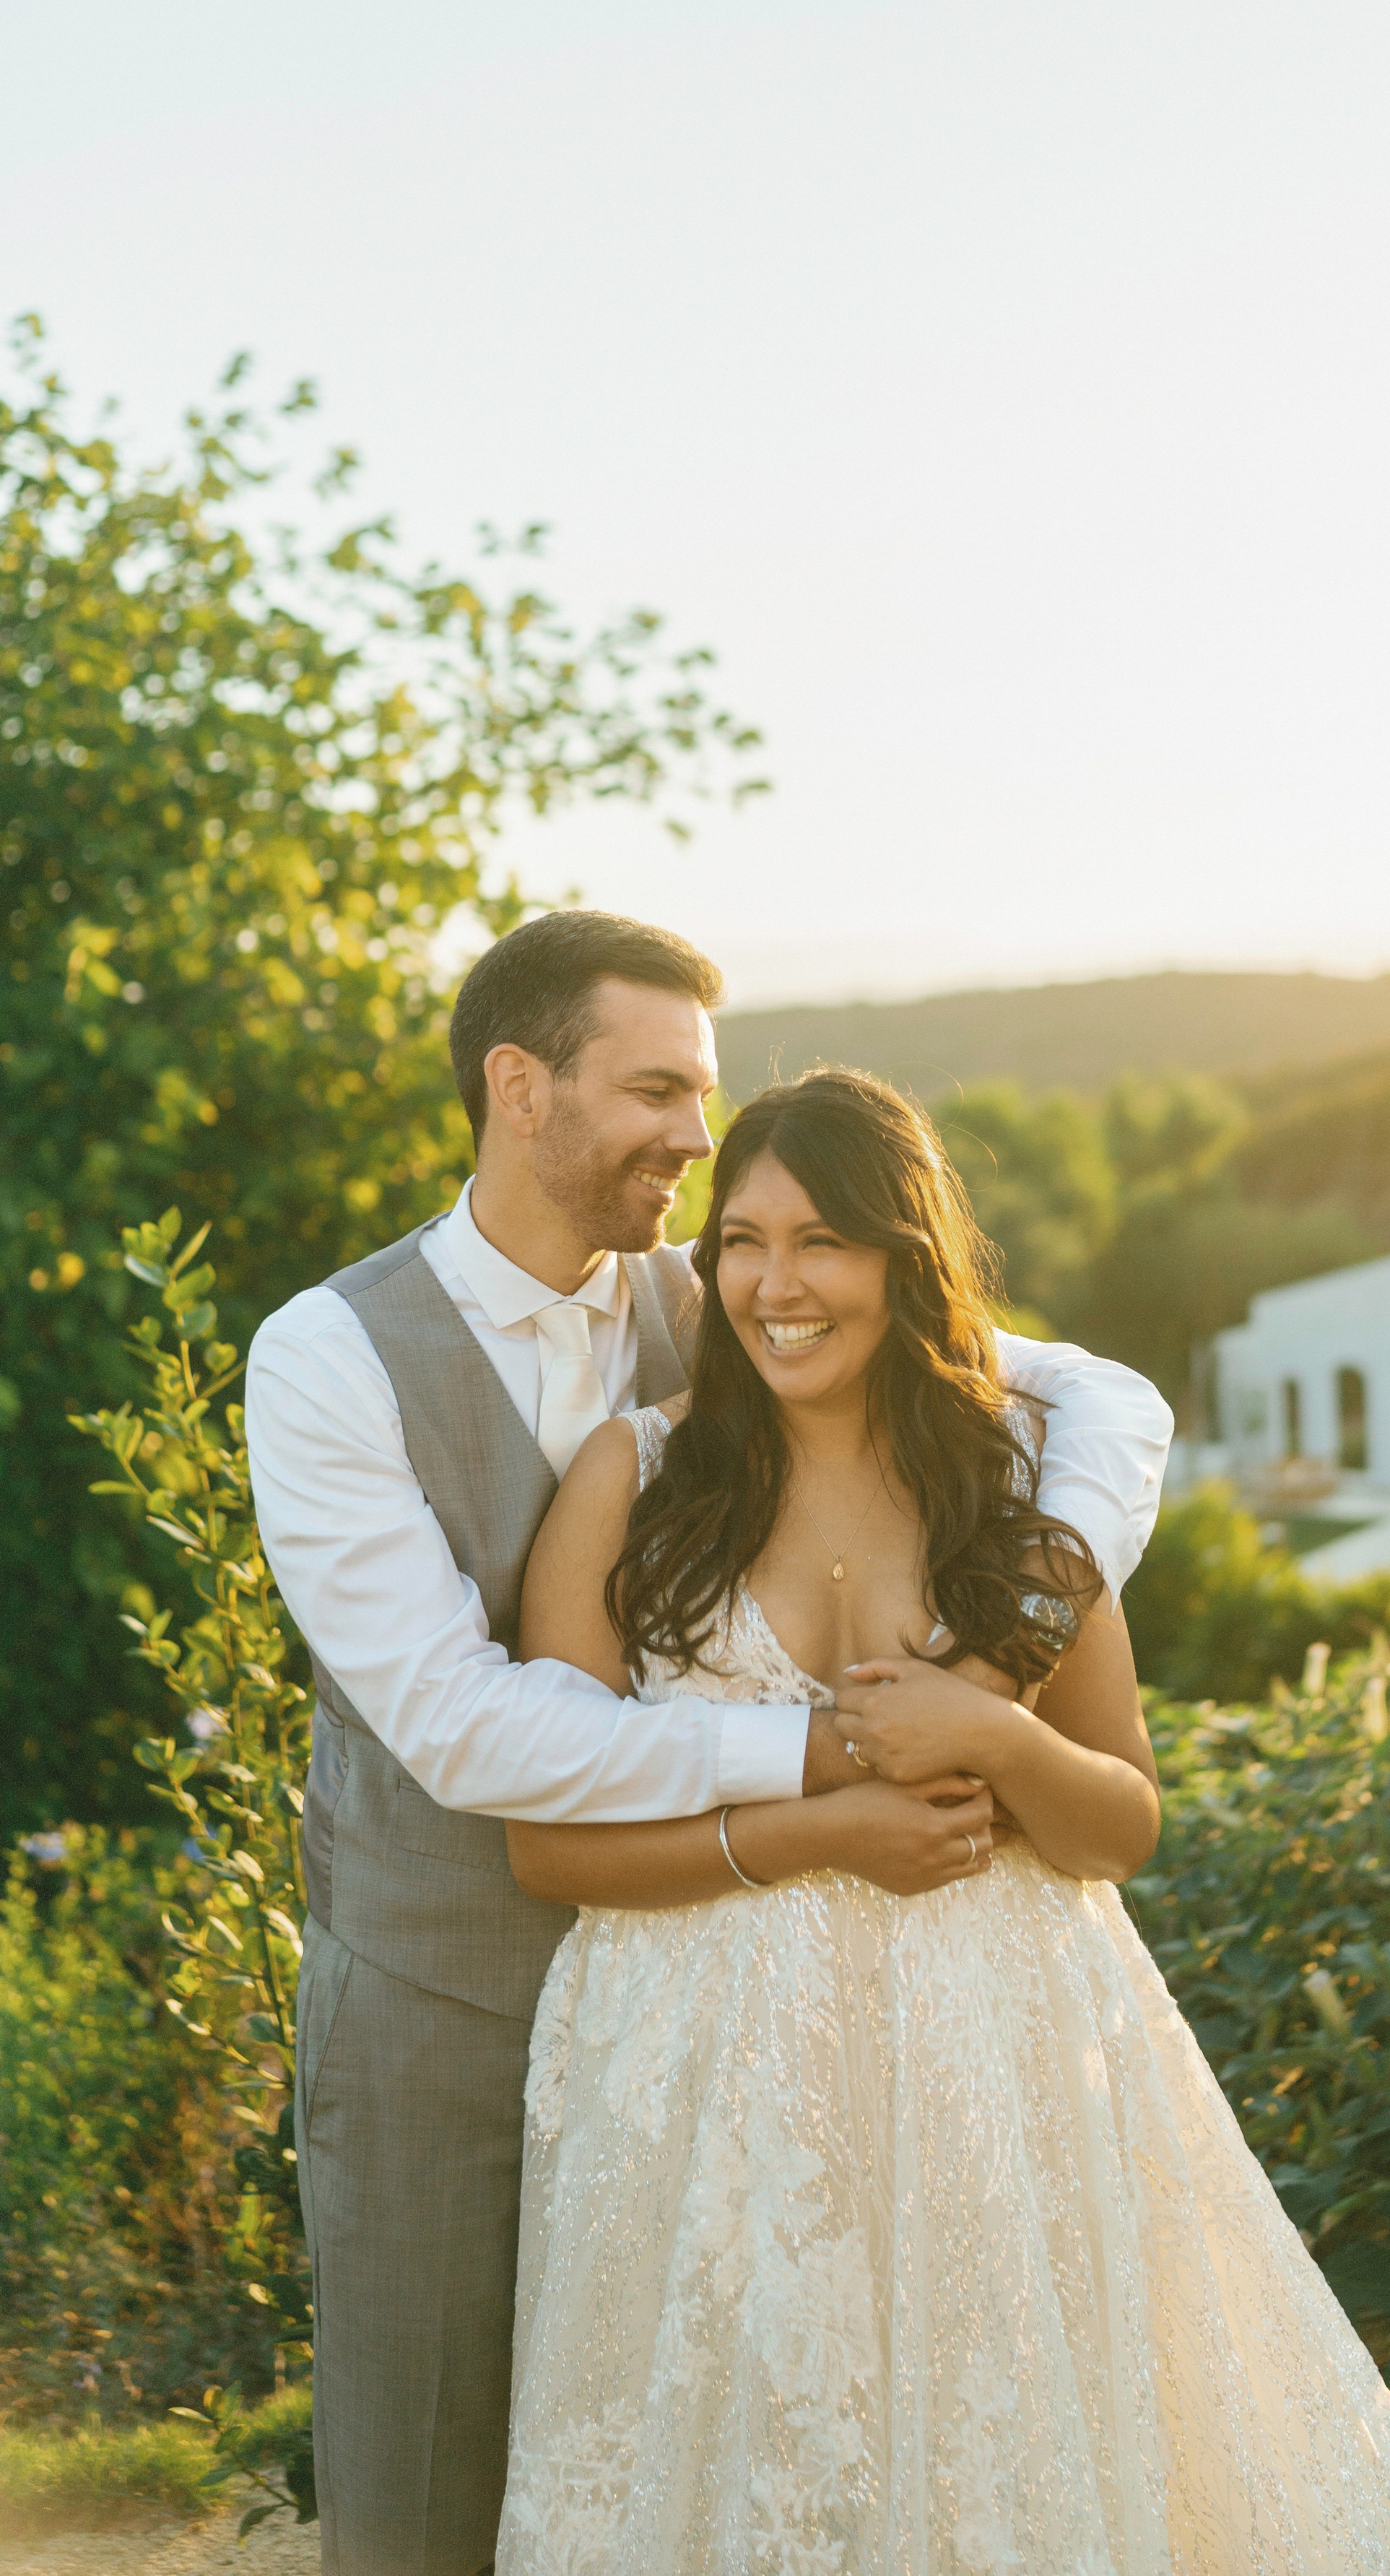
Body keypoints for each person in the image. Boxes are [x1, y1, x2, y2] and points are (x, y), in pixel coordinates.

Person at [244, 912, 1173, 2576]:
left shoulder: (723, 1290)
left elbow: (1094, 1402)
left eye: (704, 1094)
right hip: (448, 2000)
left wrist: (1023, 1620)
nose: (692, 1134)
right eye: (657, 1089)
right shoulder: (329, 1357)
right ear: (519, 1089)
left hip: (760, 2030)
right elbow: (468, 1728)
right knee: (429, 2503)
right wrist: (825, 1765)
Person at [494, 1069, 1390, 2576]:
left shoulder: (1018, 1496)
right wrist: (824, 1832)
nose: (775, 1286)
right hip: (705, 2083)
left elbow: (1119, 1822)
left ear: (906, 1257)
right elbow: (543, 1845)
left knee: (999, 2457)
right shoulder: (628, 1485)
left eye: (823, 1241)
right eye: (742, 1241)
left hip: (997, 2065)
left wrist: (994, 1734)